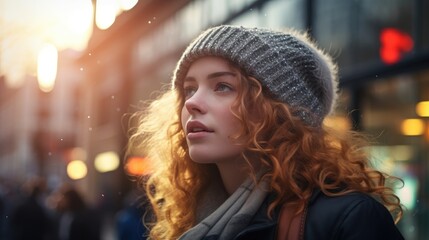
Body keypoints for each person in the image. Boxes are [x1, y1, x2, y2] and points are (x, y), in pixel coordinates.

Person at [127, 25, 404, 240]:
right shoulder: (187, 219)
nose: (191, 103)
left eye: (222, 86)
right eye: (189, 88)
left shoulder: (348, 219)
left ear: (280, 111)